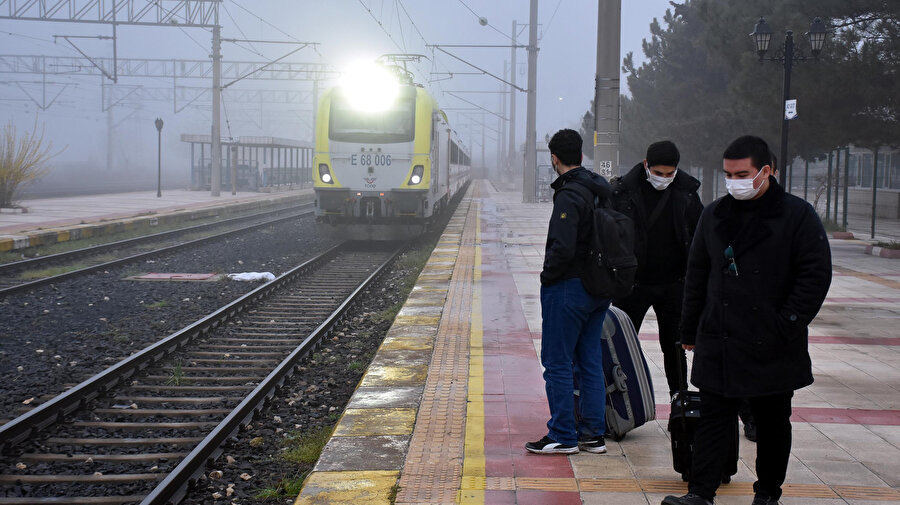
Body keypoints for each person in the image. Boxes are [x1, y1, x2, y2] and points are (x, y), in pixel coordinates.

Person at [662, 136, 832, 505]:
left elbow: (815, 276)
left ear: (765, 171)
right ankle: (700, 493)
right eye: (728, 174)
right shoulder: (715, 214)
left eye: (742, 174)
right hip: (720, 336)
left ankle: (767, 493)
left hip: (772, 340)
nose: (734, 181)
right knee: (713, 418)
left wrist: (786, 322)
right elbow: (697, 274)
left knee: (771, 423)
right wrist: (689, 329)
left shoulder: (796, 215)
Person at [525, 128, 612, 455]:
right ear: (581, 154)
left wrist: (548, 277)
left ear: (554, 158)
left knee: (558, 361)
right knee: (589, 360)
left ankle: (562, 434)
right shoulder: (599, 188)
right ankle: (593, 434)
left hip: (569, 288)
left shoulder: (569, 193)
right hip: (599, 288)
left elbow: (562, 247)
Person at [609, 140, 702, 398]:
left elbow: (698, 235)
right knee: (621, 347)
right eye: (658, 173)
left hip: (673, 283)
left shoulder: (687, 192)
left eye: (669, 174)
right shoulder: (621, 192)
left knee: (674, 347)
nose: (663, 178)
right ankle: (617, 404)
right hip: (632, 285)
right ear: (646, 164)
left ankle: (679, 400)